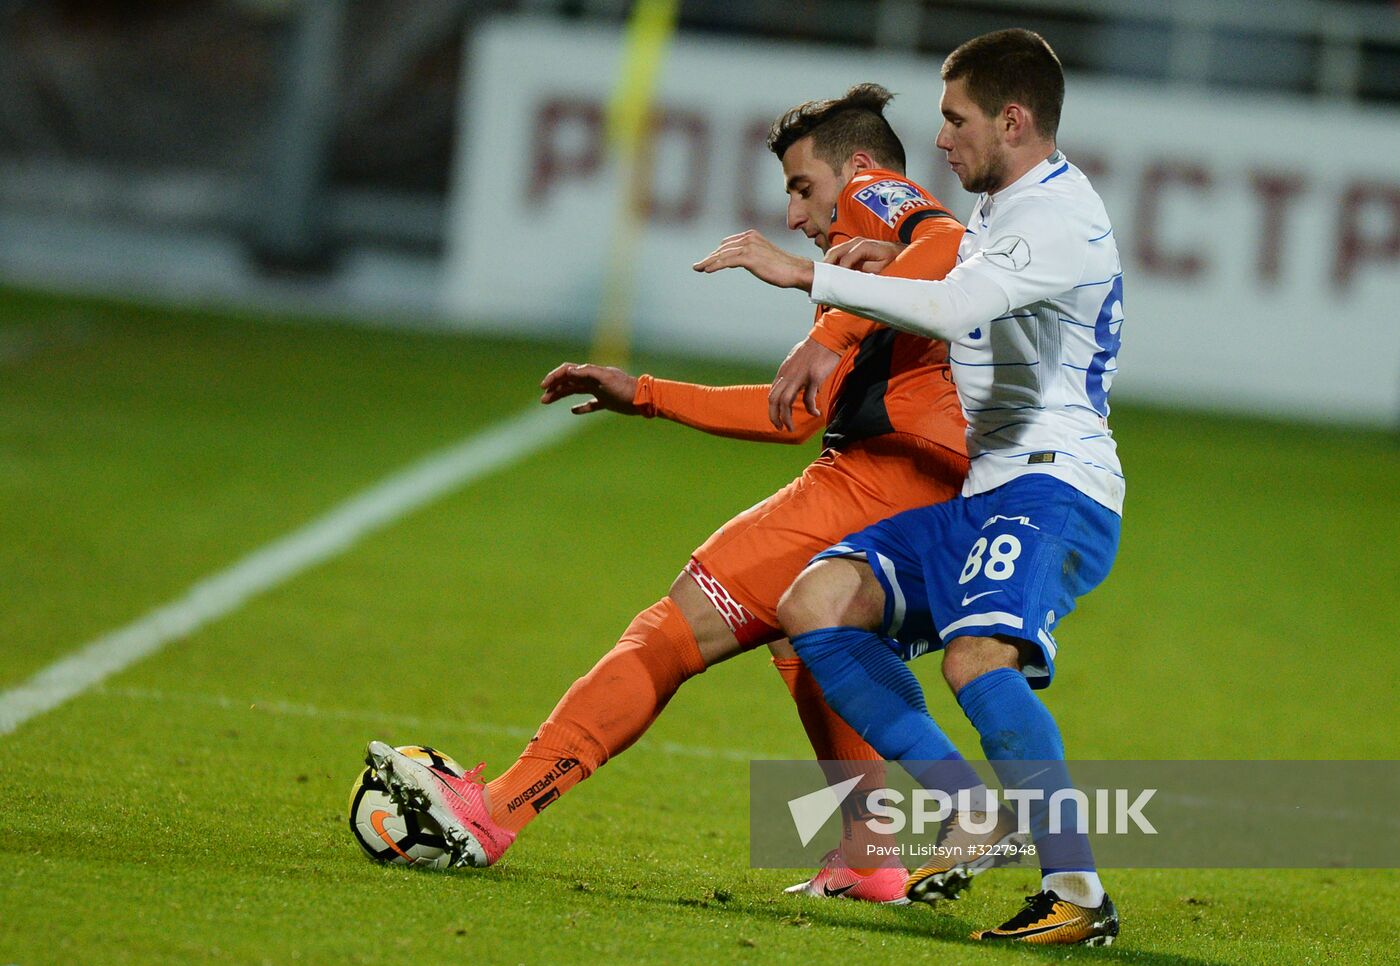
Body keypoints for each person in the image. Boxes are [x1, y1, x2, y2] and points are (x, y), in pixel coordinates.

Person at [368, 84, 976, 903]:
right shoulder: (872, 279)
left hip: (884, 483)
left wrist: (822, 325)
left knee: (668, 631)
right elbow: (793, 415)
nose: (796, 216)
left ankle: (495, 812)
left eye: (803, 187)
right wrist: (647, 393)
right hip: (921, 496)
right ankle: (869, 851)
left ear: (858, 167)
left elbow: (943, 234)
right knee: (809, 643)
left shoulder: (876, 197)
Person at [694, 29, 1125, 946]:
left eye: (955, 119)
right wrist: (888, 266)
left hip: (1056, 487)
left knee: (978, 659)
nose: (940, 140)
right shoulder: (1010, 209)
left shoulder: (1057, 217)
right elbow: (965, 284)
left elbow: (958, 308)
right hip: (995, 489)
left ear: (1013, 120)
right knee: (816, 601)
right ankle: (972, 811)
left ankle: (1080, 897)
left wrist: (803, 273)